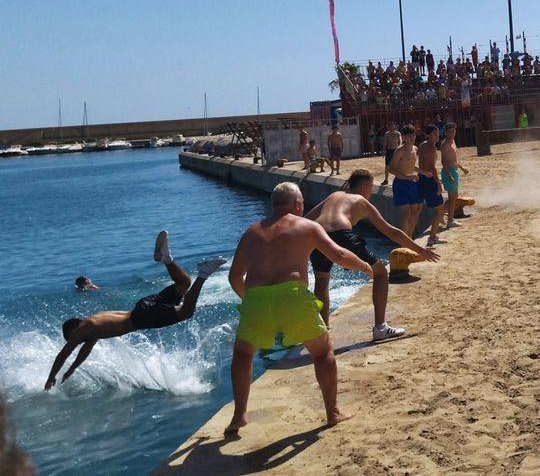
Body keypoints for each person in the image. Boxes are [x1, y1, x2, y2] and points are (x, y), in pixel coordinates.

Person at [225, 182, 374, 436]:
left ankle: (239, 415)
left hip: (257, 300)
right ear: (297, 205)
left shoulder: (251, 232)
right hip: (293, 297)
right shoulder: (307, 226)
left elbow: (234, 276)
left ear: (274, 205)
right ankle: (332, 413)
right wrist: (363, 265)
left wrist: (250, 300)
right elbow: (339, 254)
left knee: (243, 354)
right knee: (322, 351)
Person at [46, 231, 226, 391]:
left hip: (141, 318)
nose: (76, 342)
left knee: (186, 312)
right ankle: (166, 258)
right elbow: (84, 351)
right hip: (141, 307)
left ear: (74, 329)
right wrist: (72, 370)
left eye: (73, 338)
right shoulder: (93, 325)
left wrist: (50, 377)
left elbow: (64, 354)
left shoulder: (84, 330)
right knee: (184, 284)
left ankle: (203, 274)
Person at [307, 170, 439, 341]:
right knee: (381, 273)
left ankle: (322, 329)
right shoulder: (361, 200)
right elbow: (392, 232)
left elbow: (307, 219)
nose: (371, 192)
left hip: (318, 236)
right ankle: (380, 328)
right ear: (364, 187)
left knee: (322, 280)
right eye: (371, 187)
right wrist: (420, 250)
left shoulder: (334, 195)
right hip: (341, 234)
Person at [389, 125, 423, 238]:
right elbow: (391, 168)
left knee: (416, 211)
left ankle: (409, 237)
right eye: (409, 135)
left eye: (413, 134)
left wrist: (423, 172)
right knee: (406, 213)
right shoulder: (400, 151)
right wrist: (407, 177)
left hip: (412, 183)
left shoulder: (415, 149)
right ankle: (404, 240)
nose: (412, 137)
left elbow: (412, 166)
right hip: (401, 183)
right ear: (404, 137)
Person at [416, 125, 445, 244]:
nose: (437, 136)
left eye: (437, 133)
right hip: (429, 179)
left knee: (434, 208)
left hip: (422, 178)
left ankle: (434, 233)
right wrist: (438, 184)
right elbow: (432, 168)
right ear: (428, 135)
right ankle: (432, 237)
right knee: (440, 208)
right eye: (434, 134)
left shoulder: (421, 145)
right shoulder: (431, 148)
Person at [439, 123, 470, 229]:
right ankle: (449, 220)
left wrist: (462, 168)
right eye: (450, 132)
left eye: (454, 131)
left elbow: (454, 159)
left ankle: (444, 216)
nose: (452, 133)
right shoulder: (445, 144)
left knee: (453, 197)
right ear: (446, 132)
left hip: (454, 171)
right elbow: (444, 161)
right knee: (453, 197)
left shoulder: (452, 142)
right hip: (449, 172)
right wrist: (450, 176)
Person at [381, 122, 401, 186]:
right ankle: (386, 180)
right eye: (390, 125)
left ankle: (399, 178)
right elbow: (385, 143)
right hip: (389, 150)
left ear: (394, 126)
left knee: (398, 165)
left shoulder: (398, 133)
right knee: (387, 166)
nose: (391, 127)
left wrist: (399, 149)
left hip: (396, 150)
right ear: (389, 127)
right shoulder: (387, 134)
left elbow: (400, 141)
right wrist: (384, 150)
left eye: (392, 125)